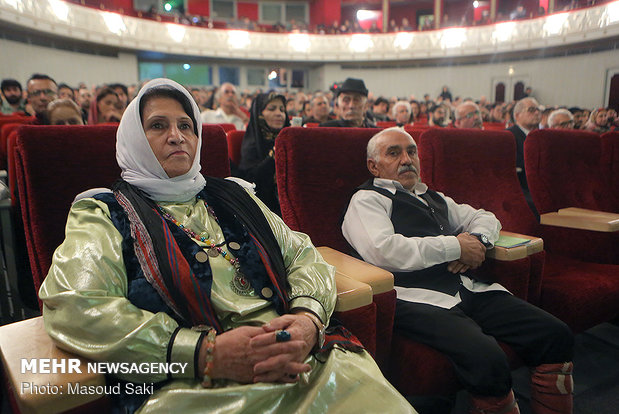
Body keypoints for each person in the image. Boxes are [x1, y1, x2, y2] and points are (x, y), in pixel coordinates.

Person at [39, 79, 416, 414]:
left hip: (301, 357)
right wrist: (203, 352)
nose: (177, 136)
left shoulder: (233, 193)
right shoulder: (104, 211)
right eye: (158, 126)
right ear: (134, 139)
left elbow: (301, 253)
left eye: (186, 126)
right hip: (193, 384)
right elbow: (76, 303)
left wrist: (308, 320)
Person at [342, 127, 574, 414]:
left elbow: (485, 217)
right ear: (373, 166)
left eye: (411, 151)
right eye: (394, 153)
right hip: (413, 297)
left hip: (466, 286)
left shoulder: (432, 196)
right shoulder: (367, 199)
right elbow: (384, 250)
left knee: (554, 333)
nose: (407, 159)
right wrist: (455, 247)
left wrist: (476, 242)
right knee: (487, 358)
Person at [237, 92, 290, 215]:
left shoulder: (290, 140)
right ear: (260, 113)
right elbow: (250, 181)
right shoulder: (252, 143)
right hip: (262, 208)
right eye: (272, 109)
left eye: (282, 109)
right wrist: (274, 155)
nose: (279, 113)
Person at [507, 97, 541, 215]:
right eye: (531, 110)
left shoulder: (541, 136)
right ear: (517, 115)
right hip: (522, 185)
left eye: (538, 110)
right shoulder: (508, 136)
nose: (537, 113)